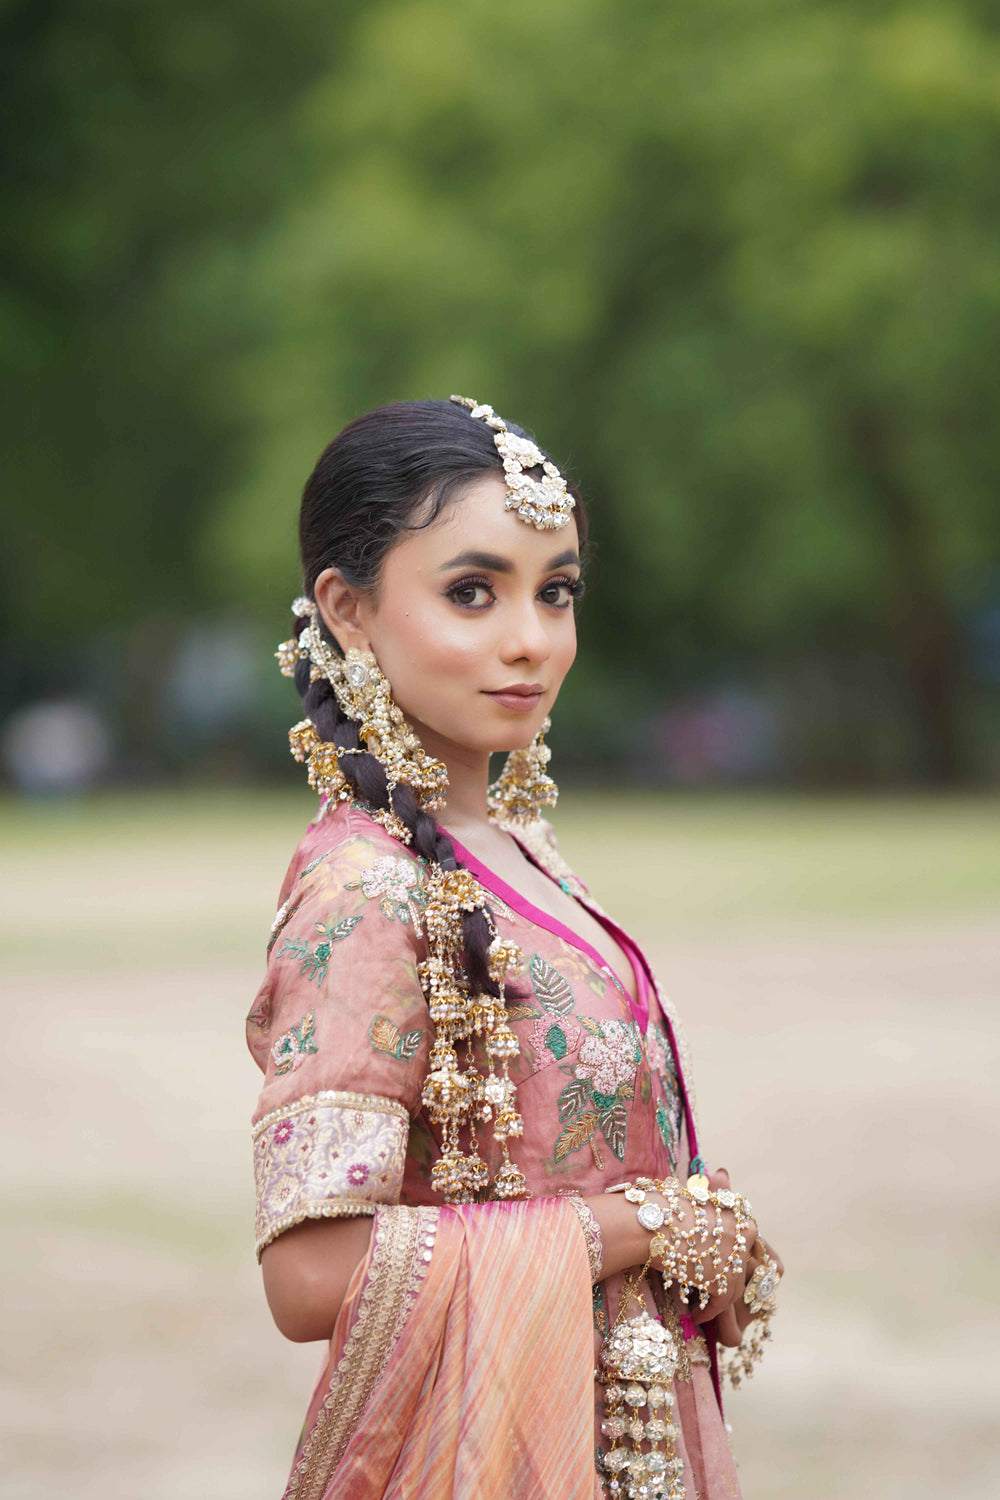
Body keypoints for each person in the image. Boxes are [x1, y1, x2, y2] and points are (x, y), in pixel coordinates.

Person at [247, 396, 783, 1500]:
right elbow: (310, 1277)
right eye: (471, 592)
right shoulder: (365, 888)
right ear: (349, 610)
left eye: (557, 591)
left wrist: (694, 1234)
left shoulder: (520, 851)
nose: (530, 637)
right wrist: (641, 1225)